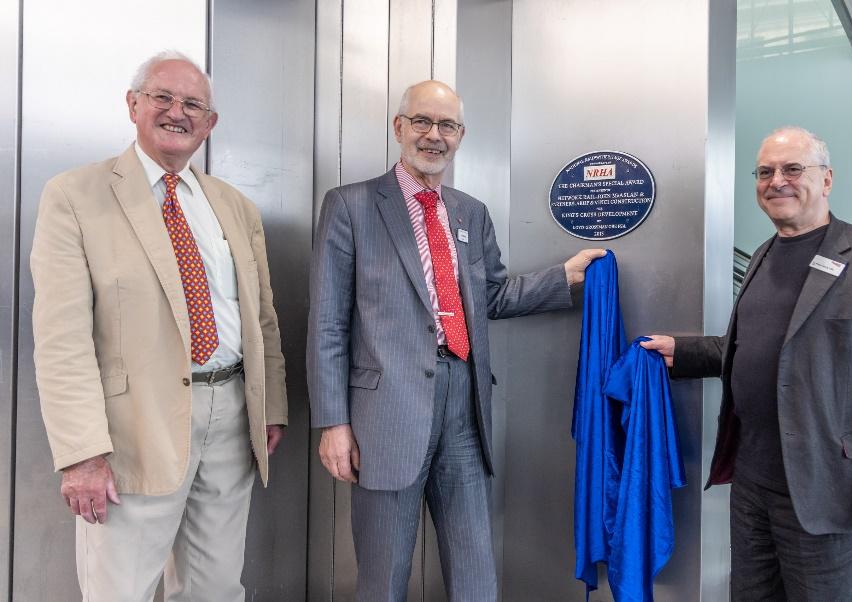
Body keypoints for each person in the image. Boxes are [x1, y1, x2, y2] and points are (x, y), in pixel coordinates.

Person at [308, 80, 603, 600]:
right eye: (422, 121)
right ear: (398, 127)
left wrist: (566, 276)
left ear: (460, 135)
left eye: (446, 125)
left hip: (465, 404)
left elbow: (490, 298)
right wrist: (333, 423)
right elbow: (328, 322)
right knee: (383, 578)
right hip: (386, 415)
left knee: (475, 572)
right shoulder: (350, 205)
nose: (434, 135)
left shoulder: (470, 212)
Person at [30, 51, 287, 601]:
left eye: (193, 103)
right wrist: (81, 453)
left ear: (210, 123)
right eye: (162, 97)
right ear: (133, 105)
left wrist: (270, 406)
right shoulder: (75, 196)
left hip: (232, 419)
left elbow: (261, 317)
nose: (178, 111)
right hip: (131, 433)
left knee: (215, 588)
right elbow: (61, 340)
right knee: (119, 590)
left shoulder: (234, 206)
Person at [642, 126, 852, 600]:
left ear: (827, 179)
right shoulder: (763, 255)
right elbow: (761, 347)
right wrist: (683, 351)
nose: (777, 181)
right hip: (752, 482)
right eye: (765, 172)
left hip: (829, 487)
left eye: (793, 169)